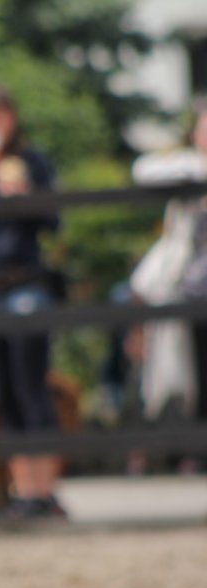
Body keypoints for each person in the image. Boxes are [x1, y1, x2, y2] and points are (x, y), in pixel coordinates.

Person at [0, 85, 66, 519]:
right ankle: (24, 491)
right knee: (3, 395)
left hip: (26, 287)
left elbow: (52, 219)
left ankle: (43, 492)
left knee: (32, 389)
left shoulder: (33, 161)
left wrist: (20, 193)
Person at [130, 101, 207, 474]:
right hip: (189, 289)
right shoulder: (188, 169)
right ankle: (189, 450)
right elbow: (143, 171)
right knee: (187, 375)